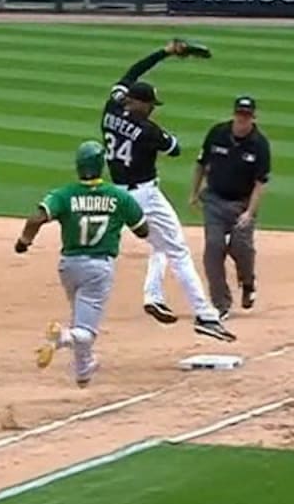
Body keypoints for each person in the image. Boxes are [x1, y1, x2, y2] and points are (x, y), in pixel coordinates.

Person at [100, 41, 235, 343]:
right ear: (139, 103)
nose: (151, 109)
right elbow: (174, 148)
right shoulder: (149, 131)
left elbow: (131, 72)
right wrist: (155, 129)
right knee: (178, 250)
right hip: (145, 197)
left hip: (118, 194)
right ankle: (206, 316)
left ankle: (153, 295)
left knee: (160, 244)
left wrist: (164, 51)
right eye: (149, 105)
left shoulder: (110, 108)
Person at [15, 141, 150, 388]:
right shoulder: (119, 196)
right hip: (98, 268)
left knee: (80, 315)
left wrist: (24, 242)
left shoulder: (64, 194)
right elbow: (143, 230)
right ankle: (61, 337)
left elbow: (36, 218)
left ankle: (83, 371)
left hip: (69, 267)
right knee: (85, 330)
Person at [191, 96, 272, 320]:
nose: (242, 119)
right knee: (213, 250)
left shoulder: (259, 144)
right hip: (214, 201)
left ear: (253, 117)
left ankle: (247, 283)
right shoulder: (218, 133)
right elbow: (201, 164)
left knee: (241, 247)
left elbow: (260, 183)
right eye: (239, 114)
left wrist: (249, 212)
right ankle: (220, 304)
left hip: (242, 203)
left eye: (246, 115)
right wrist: (194, 193)